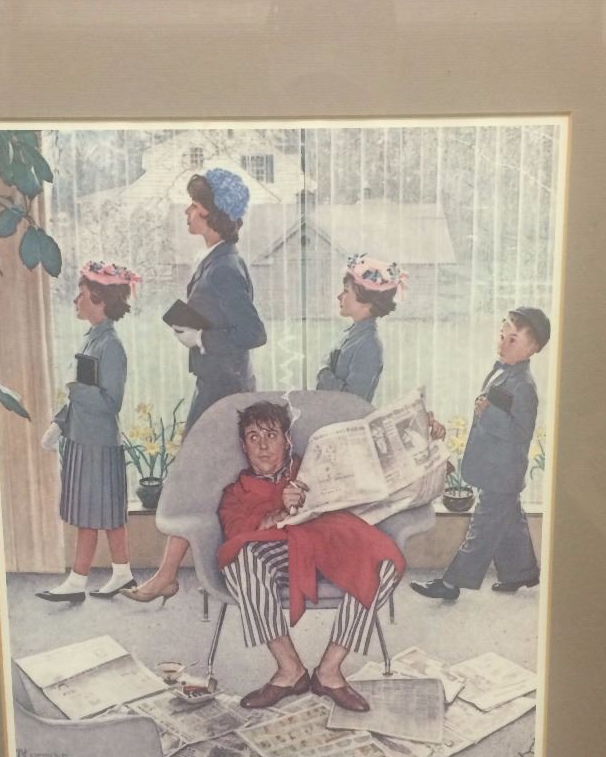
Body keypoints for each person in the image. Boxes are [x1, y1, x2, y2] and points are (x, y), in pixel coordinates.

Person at [124, 166, 266, 605]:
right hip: (217, 385)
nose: (187, 212)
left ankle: (175, 575)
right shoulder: (217, 259)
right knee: (201, 483)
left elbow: (254, 333)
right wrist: (197, 333)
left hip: (224, 393)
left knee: (196, 481)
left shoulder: (224, 267)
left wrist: (202, 338)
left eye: (194, 206)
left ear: (211, 214)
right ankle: (171, 574)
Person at [218, 401, 405, 712]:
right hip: (279, 556)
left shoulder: (312, 469)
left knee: (385, 565)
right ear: (243, 446)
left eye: (271, 435)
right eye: (253, 437)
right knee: (240, 558)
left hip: (330, 546)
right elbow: (236, 533)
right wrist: (277, 513)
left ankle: (329, 672)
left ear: (287, 440)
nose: (263, 446)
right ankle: (289, 670)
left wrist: (428, 435)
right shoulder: (234, 493)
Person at [410, 306, 551, 602]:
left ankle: (452, 583)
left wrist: (488, 414)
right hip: (495, 467)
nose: (502, 344)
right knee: (509, 521)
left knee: (482, 528)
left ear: (532, 349)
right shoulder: (503, 371)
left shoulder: (524, 386)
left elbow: (521, 433)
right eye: (502, 336)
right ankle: (520, 572)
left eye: (512, 340)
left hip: (504, 472)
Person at [37, 261, 141, 603]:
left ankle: (78, 581)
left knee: (95, 514)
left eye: (81, 295)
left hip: (98, 443)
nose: (75, 301)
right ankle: (120, 573)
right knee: (101, 513)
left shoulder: (110, 345)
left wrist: (76, 389)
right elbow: (80, 396)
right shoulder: (92, 339)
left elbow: (111, 402)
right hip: (84, 438)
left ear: (99, 300)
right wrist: (59, 422)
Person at [315, 253, 405, 402]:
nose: (339, 296)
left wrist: (323, 372)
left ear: (367, 301)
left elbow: (353, 401)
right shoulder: (352, 335)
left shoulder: (369, 344)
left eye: (346, 291)